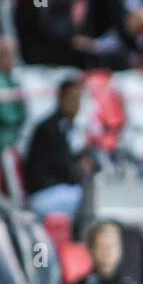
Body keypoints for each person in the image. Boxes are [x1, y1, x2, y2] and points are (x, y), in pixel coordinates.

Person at [24, 77, 95, 219]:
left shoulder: (72, 128)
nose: (76, 104)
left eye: (79, 99)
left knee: (93, 193)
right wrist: (79, 167)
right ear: (61, 97)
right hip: (45, 193)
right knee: (86, 197)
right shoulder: (49, 128)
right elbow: (65, 169)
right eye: (72, 98)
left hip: (62, 189)